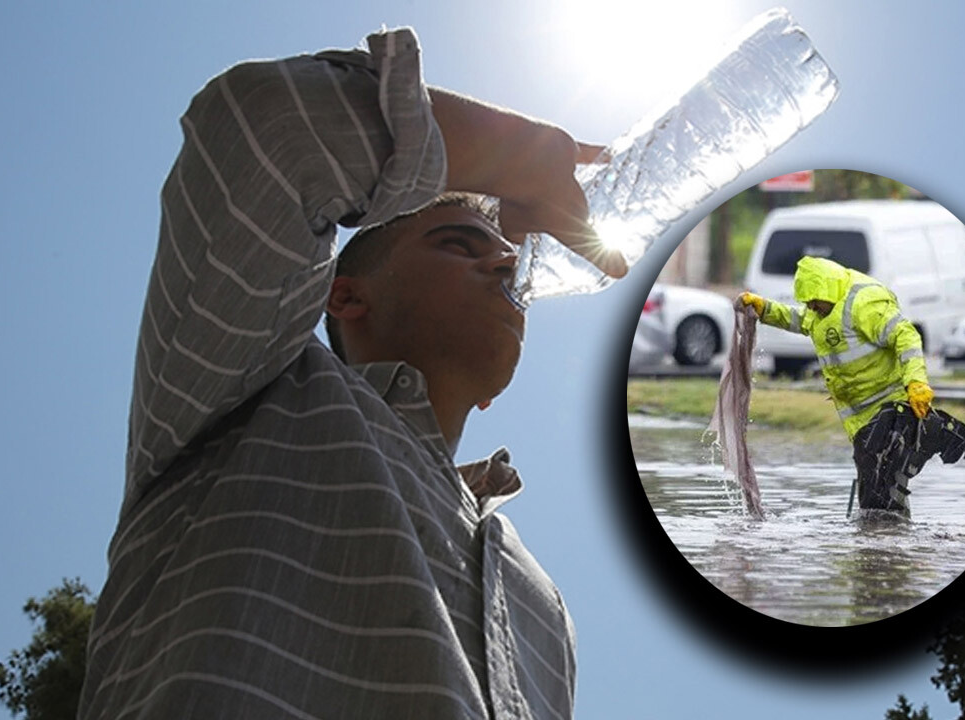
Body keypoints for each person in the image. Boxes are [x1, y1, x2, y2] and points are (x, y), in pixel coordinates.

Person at [79, 25, 625, 720]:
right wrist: (520, 154)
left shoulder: (540, 598)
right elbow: (262, 130)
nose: (505, 264)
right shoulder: (250, 387)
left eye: (507, 256)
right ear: (342, 294)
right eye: (460, 244)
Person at [739, 255, 938, 517]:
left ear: (826, 289)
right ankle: (886, 542)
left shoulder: (864, 304)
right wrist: (765, 309)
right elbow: (798, 320)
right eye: (807, 302)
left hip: (889, 407)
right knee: (878, 481)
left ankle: (883, 539)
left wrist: (916, 382)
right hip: (858, 416)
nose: (810, 306)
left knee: (879, 477)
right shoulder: (820, 310)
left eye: (813, 300)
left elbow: (906, 335)